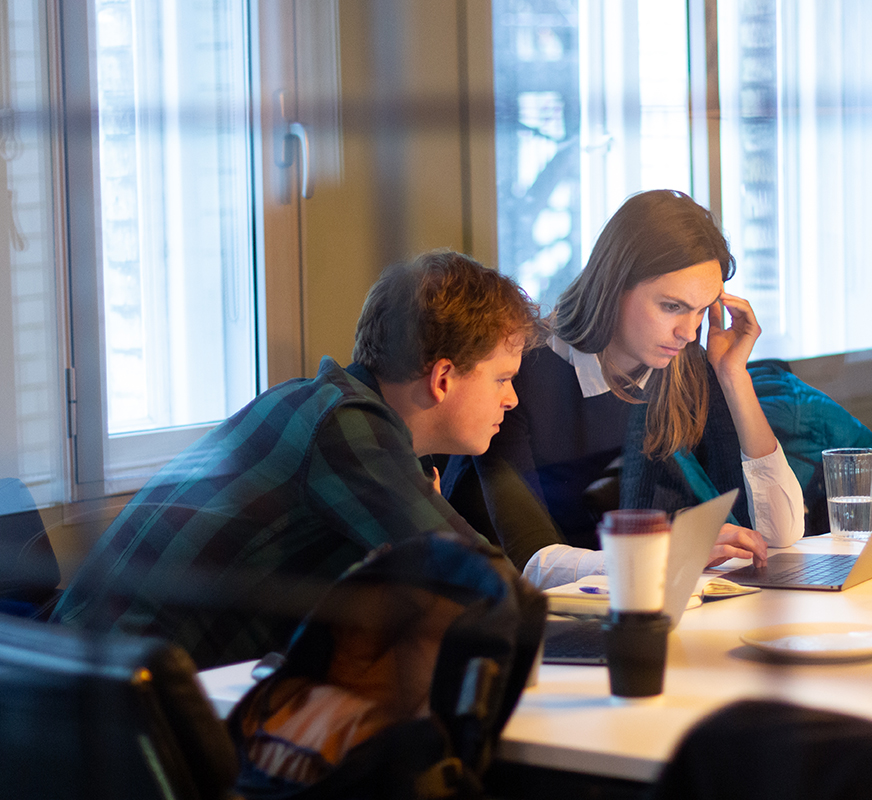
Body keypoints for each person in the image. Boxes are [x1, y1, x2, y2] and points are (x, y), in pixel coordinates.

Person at [53, 250, 539, 668]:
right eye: (502, 378)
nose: (512, 398)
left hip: (107, 677)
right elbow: (492, 590)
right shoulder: (344, 428)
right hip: (121, 707)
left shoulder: (315, 404)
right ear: (443, 378)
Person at [442, 190, 804, 588]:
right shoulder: (518, 373)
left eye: (701, 309)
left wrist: (734, 375)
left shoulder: (686, 368)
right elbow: (532, 559)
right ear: (614, 286)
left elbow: (779, 535)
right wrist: (664, 556)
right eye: (672, 306)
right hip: (507, 609)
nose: (689, 332)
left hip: (625, 603)